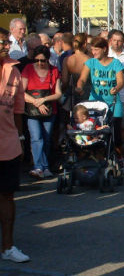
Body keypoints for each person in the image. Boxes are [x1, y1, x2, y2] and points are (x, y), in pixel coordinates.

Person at [0, 28, 30, 263]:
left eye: (6, 42)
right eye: (1, 43)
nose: (6, 46)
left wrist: (20, 139)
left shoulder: (14, 70)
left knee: (7, 195)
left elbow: (18, 110)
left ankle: (8, 247)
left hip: (8, 143)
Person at [75, 37, 124, 148]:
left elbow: (121, 82)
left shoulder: (116, 63)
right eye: (92, 50)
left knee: (116, 133)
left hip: (113, 103)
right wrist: (79, 87)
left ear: (104, 49)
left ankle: (118, 153)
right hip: (96, 103)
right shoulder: (91, 62)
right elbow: (82, 79)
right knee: (94, 131)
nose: (93, 52)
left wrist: (116, 88)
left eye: (96, 50)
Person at [21, 45, 62, 179]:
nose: (39, 63)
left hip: (49, 109)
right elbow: (21, 91)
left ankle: (44, 167)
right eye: (37, 60)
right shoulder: (28, 69)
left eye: (43, 60)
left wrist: (43, 99)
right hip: (32, 110)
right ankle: (39, 166)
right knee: (36, 138)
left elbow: (58, 93)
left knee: (46, 139)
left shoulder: (54, 70)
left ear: (48, 59)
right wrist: (36, 102)